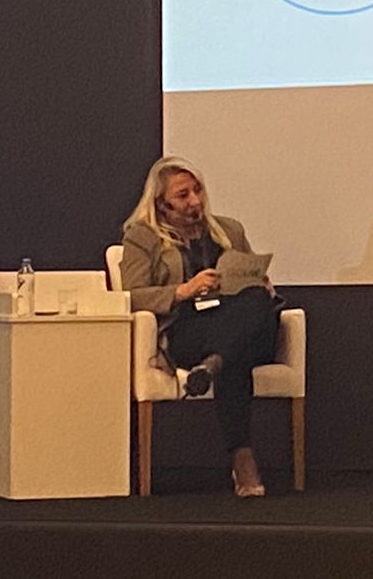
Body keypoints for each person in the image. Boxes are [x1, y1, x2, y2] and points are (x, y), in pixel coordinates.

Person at [120, 156, 282, 498]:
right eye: (183, 196)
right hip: (190, 330)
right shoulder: (142, 237)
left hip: (237, 322)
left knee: (254, 299)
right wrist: (183, 290)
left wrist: (262, 285)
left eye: (198, 191)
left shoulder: (229, 230)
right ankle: (242, 458)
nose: (195, 201)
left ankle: (212, 365)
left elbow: (252, 280)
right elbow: (131, 296)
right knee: (236, 356)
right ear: (161, 204)